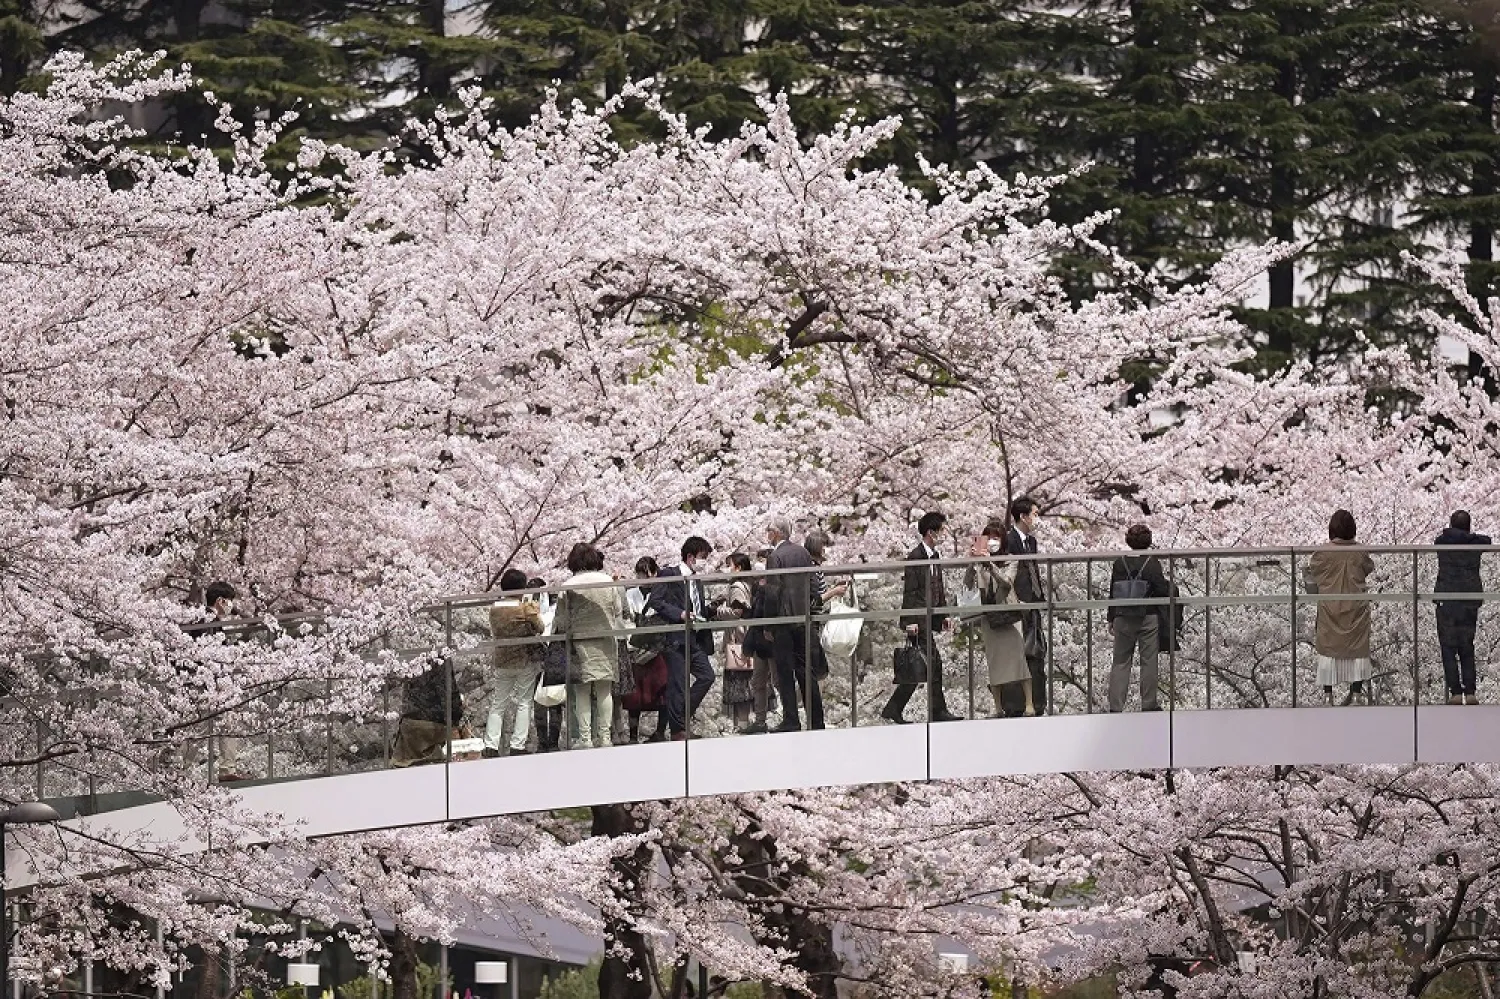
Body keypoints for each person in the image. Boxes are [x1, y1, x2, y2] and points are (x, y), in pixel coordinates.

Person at [883, 511, 960, 723]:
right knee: (929, 663)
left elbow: (939, 589)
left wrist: (942, 616)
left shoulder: (934, 556)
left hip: (928, 617)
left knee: (924, 665)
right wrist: (911, 622)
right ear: (931, 532)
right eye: (941, 530)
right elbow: (911, 591)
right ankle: (936, 711)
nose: (944, 534)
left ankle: (894, 708)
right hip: (918, 619)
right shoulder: (916, 557)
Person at [647, 537, 718, 740]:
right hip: (675, 637)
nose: (705, 561)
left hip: (695, 638)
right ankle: (678, 730)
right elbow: (656, 601)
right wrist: (679, 613)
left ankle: (678, 717)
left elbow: (697, 606)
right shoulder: (670, 574)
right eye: (703, 557)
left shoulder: (696, 580)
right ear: (690, 556)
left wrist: (711, 611)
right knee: (677, 683)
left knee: (707, 676)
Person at [554, 542, 623, 748]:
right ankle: (605, 737)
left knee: (582, 692)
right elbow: (617, 610)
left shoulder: (567, 586)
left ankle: (585, 738)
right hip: (605, 640)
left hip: (579, 643)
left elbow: (561, 620)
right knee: (604, 691)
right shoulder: (608, 581)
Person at [1304, 509, 1375, 706]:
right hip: (1356, 608)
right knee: (1358, 652)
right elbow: (1369, 567)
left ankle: (1328, 695)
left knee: (1328, 651)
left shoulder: (1323, 553)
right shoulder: (1360, 551)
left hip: (1330, 608)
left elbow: (1313, 572)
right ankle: (1356, 694)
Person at [964, 521, 1033, 717]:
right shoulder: (980, 561)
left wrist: (990, 565)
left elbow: (1006, 583)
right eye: (988, 538)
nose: (992, 542)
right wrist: (972, 562)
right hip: (989, 615)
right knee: (993, 660)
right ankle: (998, 707)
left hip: (1009, 614)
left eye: (996, 537)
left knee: (1018, 657)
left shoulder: (1010, 559)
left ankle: (1029, 703)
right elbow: (968, 584)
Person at [763, 518, 823, 731]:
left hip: (784, 622)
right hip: (803, 619)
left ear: (778, 533)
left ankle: (791, 720)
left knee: (785, 673)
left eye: (769, 530)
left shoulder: (775, 557)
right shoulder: (803, 553)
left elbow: (772, 593)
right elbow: (814, 583)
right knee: (807, 672)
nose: (767, 534)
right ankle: (816, 721)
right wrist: (811, 604)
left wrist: (768, 624)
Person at [1106, 524, 1170, 713]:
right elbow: (1161, 589)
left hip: (1123, 616)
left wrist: (1111, 617)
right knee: (1148, 660)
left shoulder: (1120, 562)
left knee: (1120, 661)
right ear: (1149, 541)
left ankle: (1116, 706)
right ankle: (1149, 704)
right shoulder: (1152, 562)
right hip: (1148, 616)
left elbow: (1113, 591)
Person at [484, 568, 544, 757]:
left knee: (498, 703)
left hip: (502, 660)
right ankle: (517, 745)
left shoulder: (494, 609)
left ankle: (491, 745)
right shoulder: (524, 608)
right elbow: (540, 628)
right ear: (521, 588)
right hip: (523, 659)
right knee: (524, 702)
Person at [194, 582, 249, 782]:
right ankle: (226, 769)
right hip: (206, 682)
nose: (230, 607)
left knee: (202, 726)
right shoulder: (207, 621)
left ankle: (180, 769)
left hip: (205, 682)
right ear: (220, 601)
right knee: (201, 726)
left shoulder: (202, 619)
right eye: (229, 602)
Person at [1435, 510, 1490, 705]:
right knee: (1467, 646)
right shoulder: (1474, 544)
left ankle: (1456, 692)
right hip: (1469, 600)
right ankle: (1471, 691)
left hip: (1446, 599)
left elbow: (1439, 539)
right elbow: (1488, 541)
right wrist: (1469, 537)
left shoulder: (1442, 542)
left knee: (1448, 647)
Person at [1004, 496, 1049, 717]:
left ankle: (1038, 702)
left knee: (1036, 650)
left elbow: (1033, 569)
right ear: (1023, 516)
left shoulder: (1031, 542)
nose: (1036, 518)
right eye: (1034, 514)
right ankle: (1016, 704)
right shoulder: (1009, 540)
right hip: (1017, 604)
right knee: (1017, 653)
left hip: (1032, 602)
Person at [622, 557, 669, 742]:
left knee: (662, 690)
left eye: (647, 573)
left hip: (658, 647)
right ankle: (633, 735)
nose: (644, 577)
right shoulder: (631, 593)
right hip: (636, 645)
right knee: (635, 695)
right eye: (641, 573)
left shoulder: (662, 591)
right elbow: (627, 618)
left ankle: (660, 731)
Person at [392, 655, 463, 767]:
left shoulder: (411, 653)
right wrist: (455, 721)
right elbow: (447, 692)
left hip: (409, 724)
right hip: (433, 727)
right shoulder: (440, 657)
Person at [717, 553, 759, 730]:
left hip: (739, 638)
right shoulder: (750, 584)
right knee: (751, 684)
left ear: (738, 567)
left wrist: (719, 610)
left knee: (740, 686)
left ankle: (741, 723)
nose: (728, 568)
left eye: (730, 565)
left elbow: (737, 611)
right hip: (750, 637)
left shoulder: (736, 586)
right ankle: (748, 721)